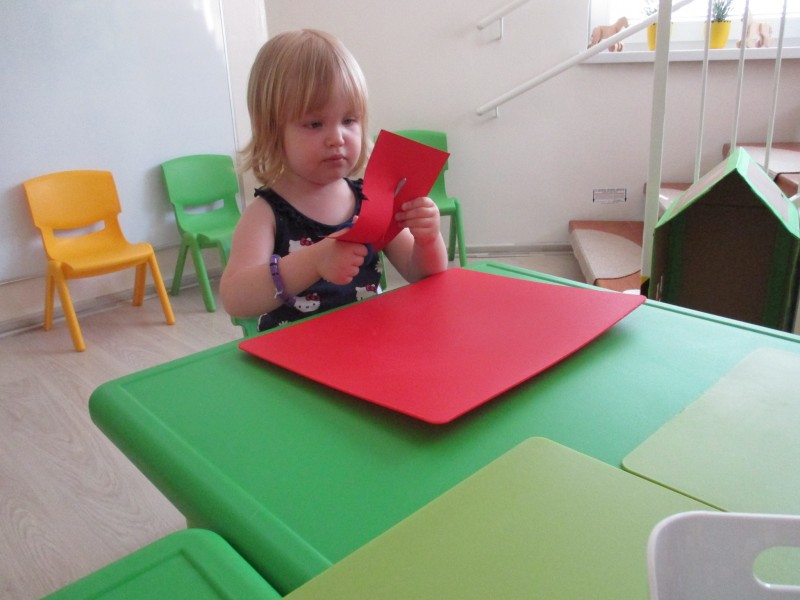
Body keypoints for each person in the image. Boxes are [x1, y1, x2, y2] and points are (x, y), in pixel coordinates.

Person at [221, 29, 448, 331]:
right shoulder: (266, 214)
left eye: (349, 120)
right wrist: (314, 260)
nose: (337, 138)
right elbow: (236, 298)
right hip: (295, 352)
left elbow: (421, 275)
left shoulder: (370, 201)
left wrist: (428, 239)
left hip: (370, 341)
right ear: (273, 133)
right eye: (315, 123)